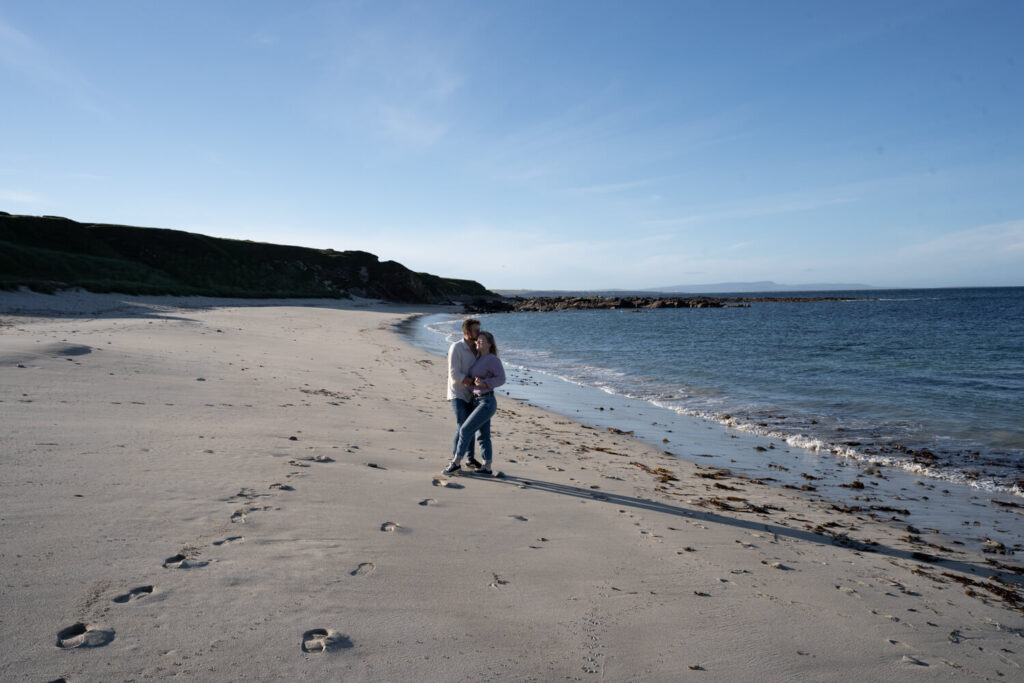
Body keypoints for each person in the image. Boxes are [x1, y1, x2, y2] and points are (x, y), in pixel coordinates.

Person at [445, 331, 505, 476]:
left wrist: (485, 383)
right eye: (477, 340)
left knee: (465, 430)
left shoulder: (492, 359)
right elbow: (475, 383)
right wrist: (474, 384)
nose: (478, 342)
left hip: (487, 401)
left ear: (489, 344)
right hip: (476, 400)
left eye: (482, 341)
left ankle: (456, 463)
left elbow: (501, 379)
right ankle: (487, 466)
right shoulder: (478, 358)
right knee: (483, 435)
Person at [447, 318, 483, 469]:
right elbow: (454, 374)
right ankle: (454, 460)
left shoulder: (478, 349)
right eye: (476, 330)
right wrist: (470, 380)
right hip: (458, 393)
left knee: (471, 426)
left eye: (479, 329)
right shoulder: (456, 347)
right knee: (463, 427)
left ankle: (470, 459)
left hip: (472, 395)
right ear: (467, 332)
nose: (479, 333)